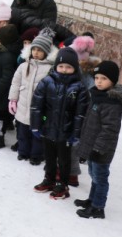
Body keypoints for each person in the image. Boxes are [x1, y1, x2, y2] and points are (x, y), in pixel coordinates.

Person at [75, 61, 122, 219]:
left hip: (101, 149)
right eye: (97, 77)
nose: (99, 81)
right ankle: (92, 200)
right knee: (93, 174)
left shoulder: (111, 103)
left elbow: (110, 129)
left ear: (113, 81)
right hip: (93, 146)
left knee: (100, 177)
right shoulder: (98, 95)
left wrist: (98, 148)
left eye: (104, 78)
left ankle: (98, 207)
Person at [31, 48, 88, 201]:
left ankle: (63, 184)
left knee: (64, 160)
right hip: (48, 128)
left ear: (75, 68)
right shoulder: (46, 82)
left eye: (68, 67)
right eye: (61, 66)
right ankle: (49, 179)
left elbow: (80, 114)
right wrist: (37, 125)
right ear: (56, 66)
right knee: (49, 157)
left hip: (66, 132)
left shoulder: (80, 88)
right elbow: (37, 105)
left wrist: (76, 134)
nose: (64, 70)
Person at [8, 30, 55, 164]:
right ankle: (23, 152)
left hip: (39, 110)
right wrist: (13, 99)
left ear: (46, 52)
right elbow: (15, 82)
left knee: (37, 135)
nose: (36, 52)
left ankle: (36, 155)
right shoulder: (24, 66)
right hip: (23, 107)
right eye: (34, 49)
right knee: (22, 133)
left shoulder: (49, 69)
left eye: (40, 50)